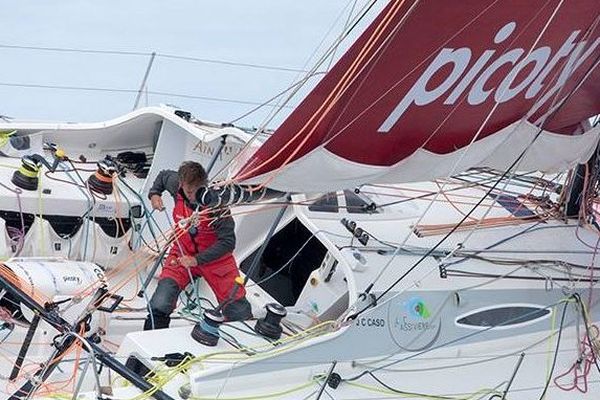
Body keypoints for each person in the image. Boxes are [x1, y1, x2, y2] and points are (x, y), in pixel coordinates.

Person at [143, 161, 252, 330]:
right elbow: (164, 175)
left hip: (216, 261)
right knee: (159, 303)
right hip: (182, 252)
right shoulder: (175, 185)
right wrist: (154, 193)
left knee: (239, 312)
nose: (195, 196)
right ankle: (152, 339)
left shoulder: (218, 207)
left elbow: (228, 243)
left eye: (199, 190)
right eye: (189, 191)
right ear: (181, 185)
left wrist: (197, 260)